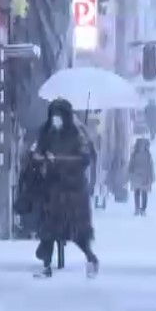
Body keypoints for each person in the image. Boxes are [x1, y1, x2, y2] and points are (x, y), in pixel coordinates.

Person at [31, 98, 99, 279]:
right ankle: (47, 264)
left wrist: (60, 160)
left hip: (72, 189)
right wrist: (40, 158)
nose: (56, 118)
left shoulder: (78, 134)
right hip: (51, 187)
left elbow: (85, 158)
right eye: (53, 114)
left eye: (59, 115)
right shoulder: (46, 131)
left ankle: (90, 257)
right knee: (48, 228)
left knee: (77, 231)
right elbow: (38, 151)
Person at [128, 137, 155, 216]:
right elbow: (131, 164)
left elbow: (150, 166)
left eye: (143, 145)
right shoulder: (134, 154)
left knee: (144, 193)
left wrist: (151, 176)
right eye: (140, 144)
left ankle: (143, 209)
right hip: (136, 175)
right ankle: (137, 208)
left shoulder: (148, 155)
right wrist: (130, 173)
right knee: (137, 192)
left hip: (145, 176)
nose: (142, 146)